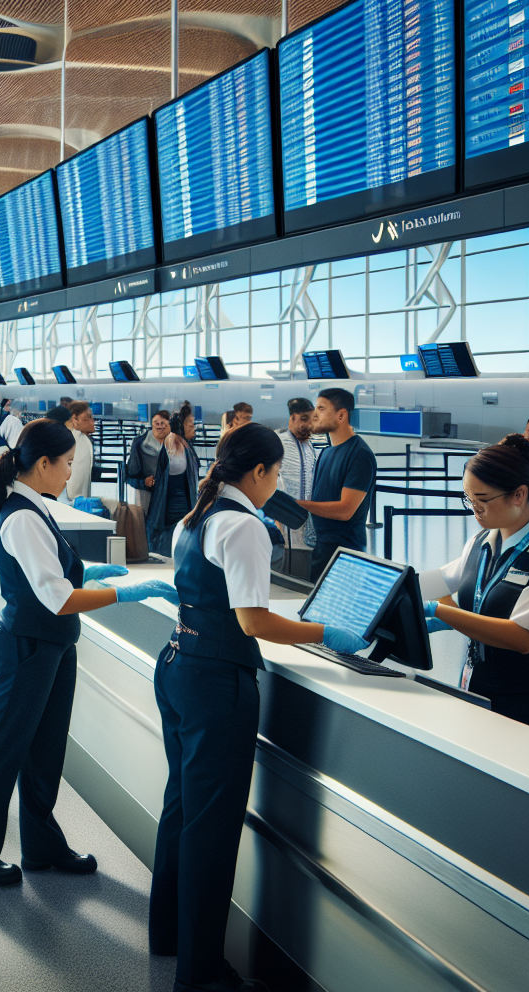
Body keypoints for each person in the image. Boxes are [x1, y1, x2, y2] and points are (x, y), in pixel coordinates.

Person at [150, 423, 367, 992]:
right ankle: (200, 974)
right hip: (218, 683)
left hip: (176, 665)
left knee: (181, 809)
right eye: (276, 475)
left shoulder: (193, 518)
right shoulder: (244, 526)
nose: (278, 484)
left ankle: (168, 935)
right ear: (261, 473)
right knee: (213, 828)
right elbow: (254, 621)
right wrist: (327, 631)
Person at [0, 420, 177, 887]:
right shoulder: (22, 517)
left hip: (51, 645)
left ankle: (41, 846)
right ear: (44, 463)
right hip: (28, 646)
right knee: (1, 749)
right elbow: (57, 597)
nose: (72, 473)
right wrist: (126, 594)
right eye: (69, 464)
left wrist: (91, 571)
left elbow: (52, 572)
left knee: (45, 751)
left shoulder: (39, 507)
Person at [424, 436, 529, 741]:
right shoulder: (481, 543)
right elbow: (437, 581)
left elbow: (523, 637)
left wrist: (441, 612)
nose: (474, 509)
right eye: (468, 499)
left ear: (518, 495)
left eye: (482, 500)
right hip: (478, 693)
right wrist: (380, 585)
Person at [297, 387, 375, 578]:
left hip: (347, 557)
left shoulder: (359, 455)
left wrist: (298, 505)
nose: (314, 415)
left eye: (321, 409)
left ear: (341, 415)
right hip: (322, 550)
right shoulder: (325, 452)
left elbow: (345, 510)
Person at [125, 408, 200, 556]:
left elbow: (192, 481)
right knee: (162, 550)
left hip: (184, 508)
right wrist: (143, 482)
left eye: (163, 423)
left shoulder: (188, 451)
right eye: (156, 423)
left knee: (181, 548)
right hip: (157, 508)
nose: (160, 427)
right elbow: (130, 476)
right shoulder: (142, 446)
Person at [275, 398, 320, 574]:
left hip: (308, 525)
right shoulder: (279, 442)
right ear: (292, 418)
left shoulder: (311, 448)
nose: (308, 424)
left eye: (311, 419)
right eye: (303, 419)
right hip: (284, 525)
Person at [63, 400, 95, 502]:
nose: (92, 421)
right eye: (87, 418)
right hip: (74, 502)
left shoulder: (80, 439)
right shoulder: (77, 439)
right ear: (75, 419)